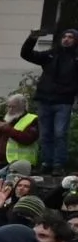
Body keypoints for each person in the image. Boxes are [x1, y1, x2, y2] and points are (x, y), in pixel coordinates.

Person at [22, 25, 78, 172]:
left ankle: (59, 164)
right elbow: (27, 54)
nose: (66, 40)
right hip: (45, 99)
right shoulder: (51, 55)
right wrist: (32, 38)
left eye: (70, 37)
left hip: (63, 101)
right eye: (64, 37)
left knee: (60, 133)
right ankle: (47, 163)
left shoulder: (75, 58)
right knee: (45, 134)